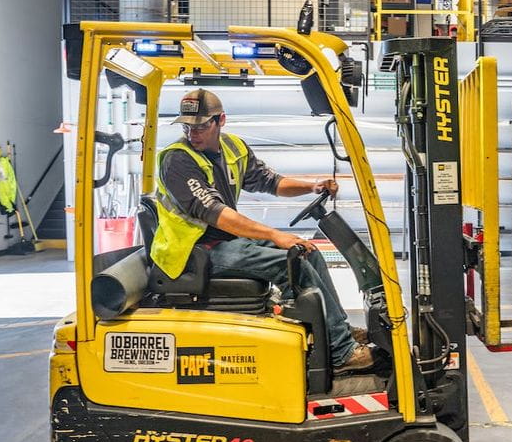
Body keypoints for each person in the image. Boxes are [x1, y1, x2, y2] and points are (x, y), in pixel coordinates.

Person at [150, 89, 373, 374]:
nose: (193, 133)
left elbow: (271, 182)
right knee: (292, 264)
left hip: (222, 241)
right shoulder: (177, 160)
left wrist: (311, 185)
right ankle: (340, 352)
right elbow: (214, 213)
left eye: (202, 125)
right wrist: (273, 235)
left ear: (221, 121)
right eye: (188, 126)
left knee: (309, 252)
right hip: (193, 252)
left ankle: (336, 330)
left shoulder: (233, 148)